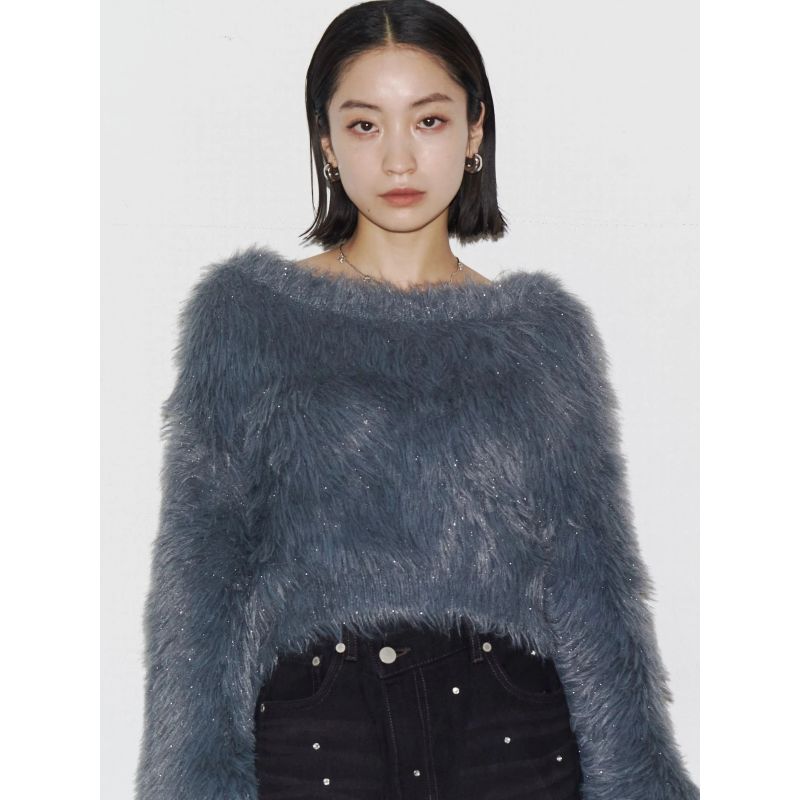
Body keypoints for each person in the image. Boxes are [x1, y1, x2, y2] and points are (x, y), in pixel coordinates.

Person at [135, 2, 699, 799]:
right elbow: (201, 581)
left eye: (428, 120)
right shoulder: (248, 317)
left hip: (511, 733)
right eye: (364, 125)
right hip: (320, 738)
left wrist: (640, 782)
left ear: (474, 131)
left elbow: (591, 581)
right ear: (326, 142)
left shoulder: (541, 335)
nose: (398, 158)